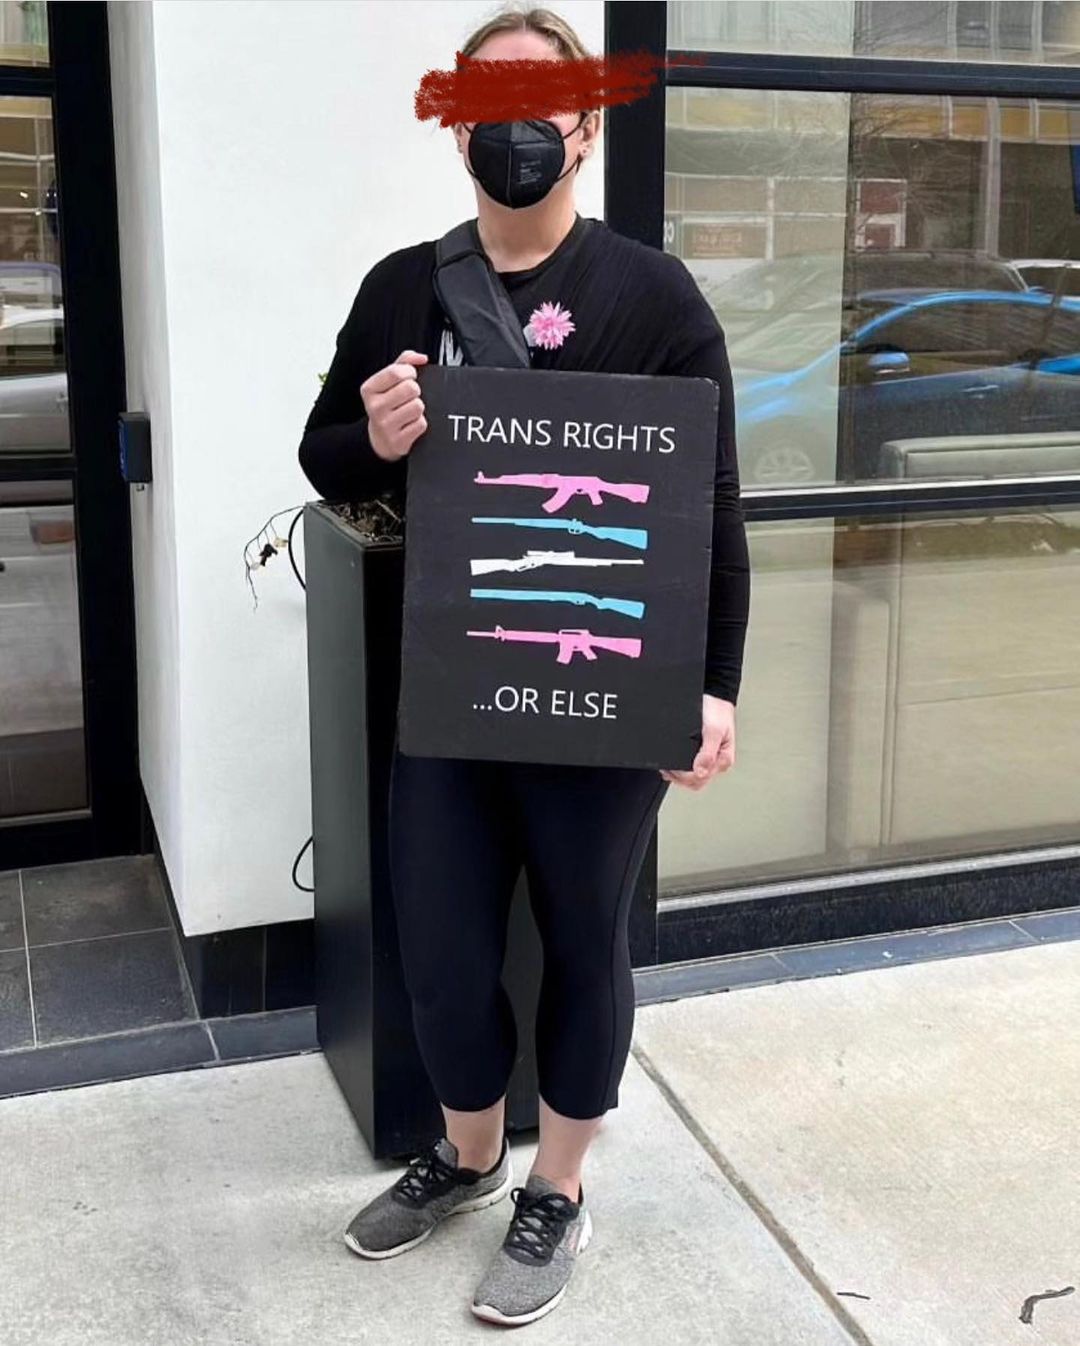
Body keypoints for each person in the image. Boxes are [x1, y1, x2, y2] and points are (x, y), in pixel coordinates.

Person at [298, 4, 750, 1329]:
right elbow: (321, 456)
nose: (513, 135)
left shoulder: (654, 297)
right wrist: (376, 436)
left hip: (605, 691)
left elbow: (713, 508)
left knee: (583, 942)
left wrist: (713, 687)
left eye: (538, 110)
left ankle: (558, 1186)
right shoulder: (403, 287)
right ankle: (469, 1155)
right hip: (451, 689)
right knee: (440, 947)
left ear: (587, 128)